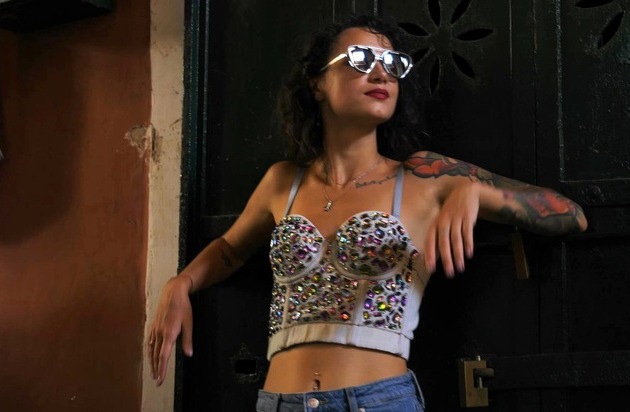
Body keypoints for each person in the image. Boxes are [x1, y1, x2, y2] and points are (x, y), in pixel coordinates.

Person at [147, 15, 587, 411]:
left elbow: (570, 214)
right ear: (317, 84)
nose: (381, 73)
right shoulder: (283, 182)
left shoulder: (424, 177)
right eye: (360, 59)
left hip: (377, 402)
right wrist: (181, 282)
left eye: (393, 64)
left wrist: (477, 192)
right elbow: (229, 250)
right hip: (278, 403)